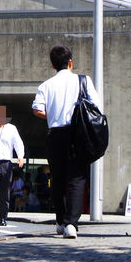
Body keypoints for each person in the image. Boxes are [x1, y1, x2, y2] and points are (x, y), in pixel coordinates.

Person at [31, 44, 97, 239]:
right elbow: (96, 106)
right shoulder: (83, 81)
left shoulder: (46, 85)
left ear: (53, 65)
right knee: (77, 178)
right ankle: (71, 224)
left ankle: (60, 221)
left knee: (58, 178)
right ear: (70, 62)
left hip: (55, 134)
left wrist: (52, 115)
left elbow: (36, 109)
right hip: (77, 134)